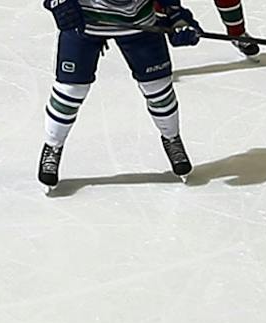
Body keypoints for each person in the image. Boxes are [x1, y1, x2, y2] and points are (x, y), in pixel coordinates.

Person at [40, 0, 203, 186]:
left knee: (159, 89)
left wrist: (177, 18)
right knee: (70, 91)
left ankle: (171, 137)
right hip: (85, 24)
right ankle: (53, 145)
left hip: (140, 25)